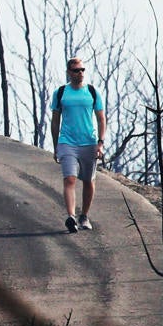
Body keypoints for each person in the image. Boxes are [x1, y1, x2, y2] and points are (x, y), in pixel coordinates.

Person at [50, 57, 106, 233]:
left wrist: (100, 143)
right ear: (69, 72)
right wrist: (56, 145)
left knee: (88, 180)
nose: (80, 73)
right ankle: (71, 217)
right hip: (67, 142)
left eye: (82, 70)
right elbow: (55, 120)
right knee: (70, 179)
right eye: (76, 70)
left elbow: (101, 118)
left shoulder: (92, 92)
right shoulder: (60, 93)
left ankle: (84, 216)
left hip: (89, 143)